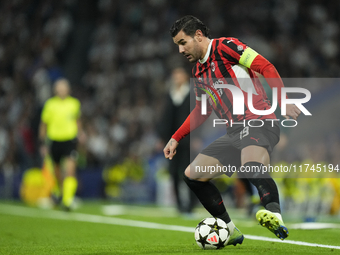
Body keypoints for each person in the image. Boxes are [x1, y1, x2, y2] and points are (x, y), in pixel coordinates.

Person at [163, 15, 301, 246]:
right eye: (178, 44)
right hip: (234, 132)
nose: (180, 50)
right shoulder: (199, 72)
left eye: (182, 42)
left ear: (198, 35)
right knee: (192, 175)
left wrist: (283, 99)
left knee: (251, 165)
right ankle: (229, 228)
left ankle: (274, 214)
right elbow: (201, 110)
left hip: (259, 121)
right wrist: (176, 137)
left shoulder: (226, 47)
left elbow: (265, 66)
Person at [39, 78, 84, 210]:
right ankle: (58, 191)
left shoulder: (74, 103)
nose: (62, 90)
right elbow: (44, 124)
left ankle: (67, 200)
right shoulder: (50, 104)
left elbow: (77, 120)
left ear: (68, 89)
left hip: (70, 140)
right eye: (59, 88)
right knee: (57, 171)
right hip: (54, 140)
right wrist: (42, 143)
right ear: (55, 90)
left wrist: (80, 133)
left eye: (64, 87)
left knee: (70, 170)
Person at [157, 67, 197, 215]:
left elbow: (200, 116)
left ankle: (192, 204)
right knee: (174, 172)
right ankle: (180, 204)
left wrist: (197, 137)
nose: (177, 78)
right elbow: (165, 118)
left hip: (189, 139)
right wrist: (162, 138)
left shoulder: (193, 93)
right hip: (173, 140)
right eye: (175, 75)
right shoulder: (171, 94)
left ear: (186, 77)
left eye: (179, 75)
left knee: (190, 172)